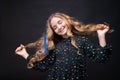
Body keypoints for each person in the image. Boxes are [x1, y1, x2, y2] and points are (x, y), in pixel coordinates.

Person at [15, 12, 112, 80]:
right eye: (55, 27)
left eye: (60, 22)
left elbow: (102, 57)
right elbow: (42, 66)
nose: (59, 27)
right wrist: (24, 54)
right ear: (53, 31)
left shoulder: (82, 40)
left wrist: (101, 35)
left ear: (66, 20)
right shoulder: (54, 45)